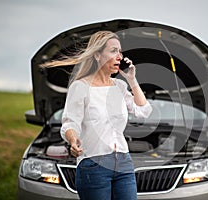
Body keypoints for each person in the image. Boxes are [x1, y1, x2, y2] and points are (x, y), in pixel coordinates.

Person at [41, 31, 152, 200]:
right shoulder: (80, 87)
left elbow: (144, 111)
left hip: (123, 162)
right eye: (113, 51)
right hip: (93, 164)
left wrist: (132, 80)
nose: (120, 57)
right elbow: (70, 123)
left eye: (120, 51)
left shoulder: (120, 86)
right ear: (97, 55)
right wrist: (73, 140)